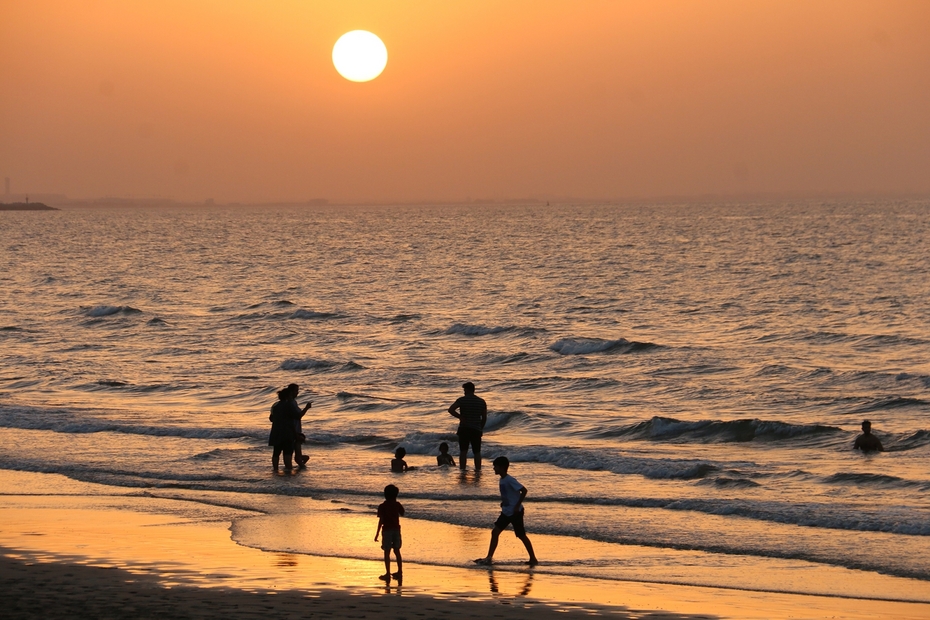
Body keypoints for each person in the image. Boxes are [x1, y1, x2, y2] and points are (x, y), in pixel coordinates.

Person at [475, 456, 538, 566]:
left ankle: (533, 558)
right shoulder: (502, 479)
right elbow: (508, 494)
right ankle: (489, 557)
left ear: (502, 467)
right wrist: (504, 503)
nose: (494, 469)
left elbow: (524, 491)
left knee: (521, 535)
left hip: (515, 512)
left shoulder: (510, 480)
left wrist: (516, 505)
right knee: (495, 532)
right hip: (506, 511)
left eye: (496, 467)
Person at [448, 381, 487, 471]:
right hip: (476, 429)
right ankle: (478, 470)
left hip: (464, 428)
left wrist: (460, 417)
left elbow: (451, 409)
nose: (464, 392)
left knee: (463, 451)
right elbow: (484, 417)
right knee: (477, 452)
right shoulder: (481, 401)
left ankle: (462, 470)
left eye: (464, 390)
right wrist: (481, 428)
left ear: (468, 389)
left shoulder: (462, 400)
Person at [375, 484, 405, 582]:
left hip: (387, 530)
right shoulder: (397, 504)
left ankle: (388, 573)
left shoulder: (382, 506)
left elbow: (381, 520)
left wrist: (377, 533)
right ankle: (400, 571)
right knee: (397, 551)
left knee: (387, 552)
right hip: (396, 530)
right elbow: (403, 513)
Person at [283, 383, 312, 467]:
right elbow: (298, 416)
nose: (297, 393)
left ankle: (299, 467)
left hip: (295, 430)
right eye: (296, 391)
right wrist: (306, 408)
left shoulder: (291, 402)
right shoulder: (291, 404)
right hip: (294, 431)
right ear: (291, 392)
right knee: (297, 456)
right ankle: (300, 468)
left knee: (298, 455)